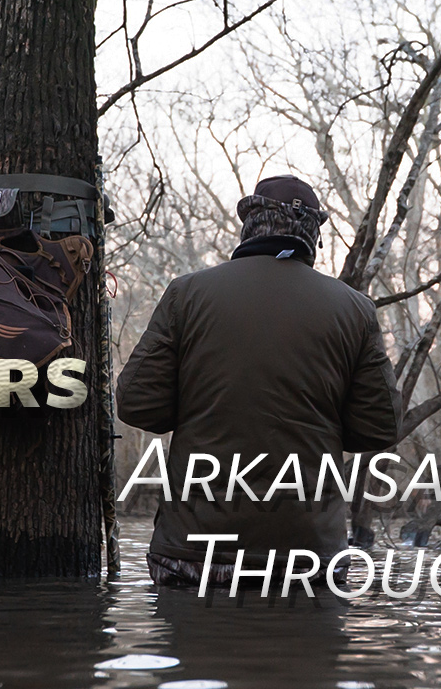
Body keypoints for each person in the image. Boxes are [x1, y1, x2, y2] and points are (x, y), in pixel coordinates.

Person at [116, 174, 401, 589]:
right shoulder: (354, 310)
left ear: (250, 224)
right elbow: (381, 427)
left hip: (195, 553)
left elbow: (137, 405)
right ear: (313, 236)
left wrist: (206, 403)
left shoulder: (187, 294)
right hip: (310, 556)